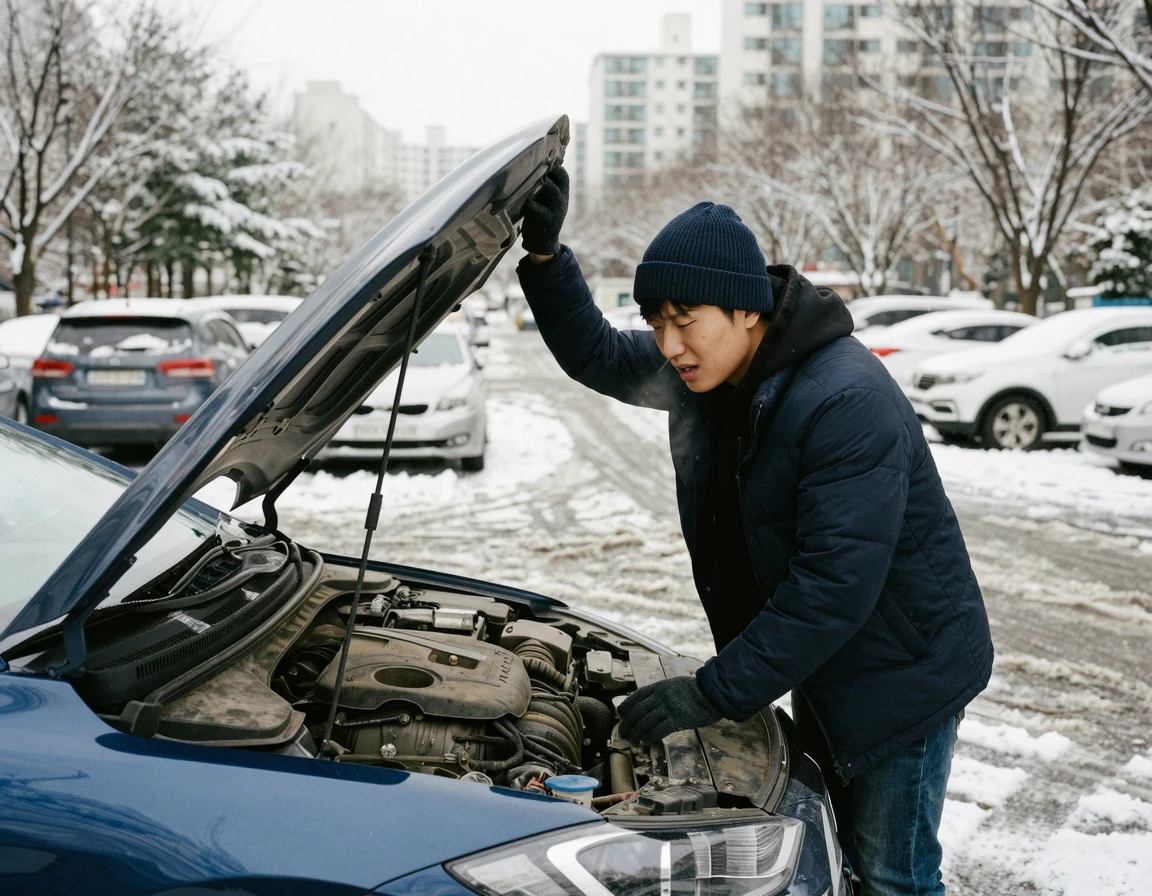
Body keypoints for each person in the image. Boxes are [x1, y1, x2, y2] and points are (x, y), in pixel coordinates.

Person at [516, 165, 994, 896]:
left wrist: (714, 693)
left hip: (905, 674)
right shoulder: (709, 372)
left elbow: (833, 587)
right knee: (839, 856)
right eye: (656, 321)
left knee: (894, 874)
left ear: (745, 310)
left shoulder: (844, 399)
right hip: (834, 664)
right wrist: (548, 262)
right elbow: (601, 355)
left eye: (685, 319)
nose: (669, 343)